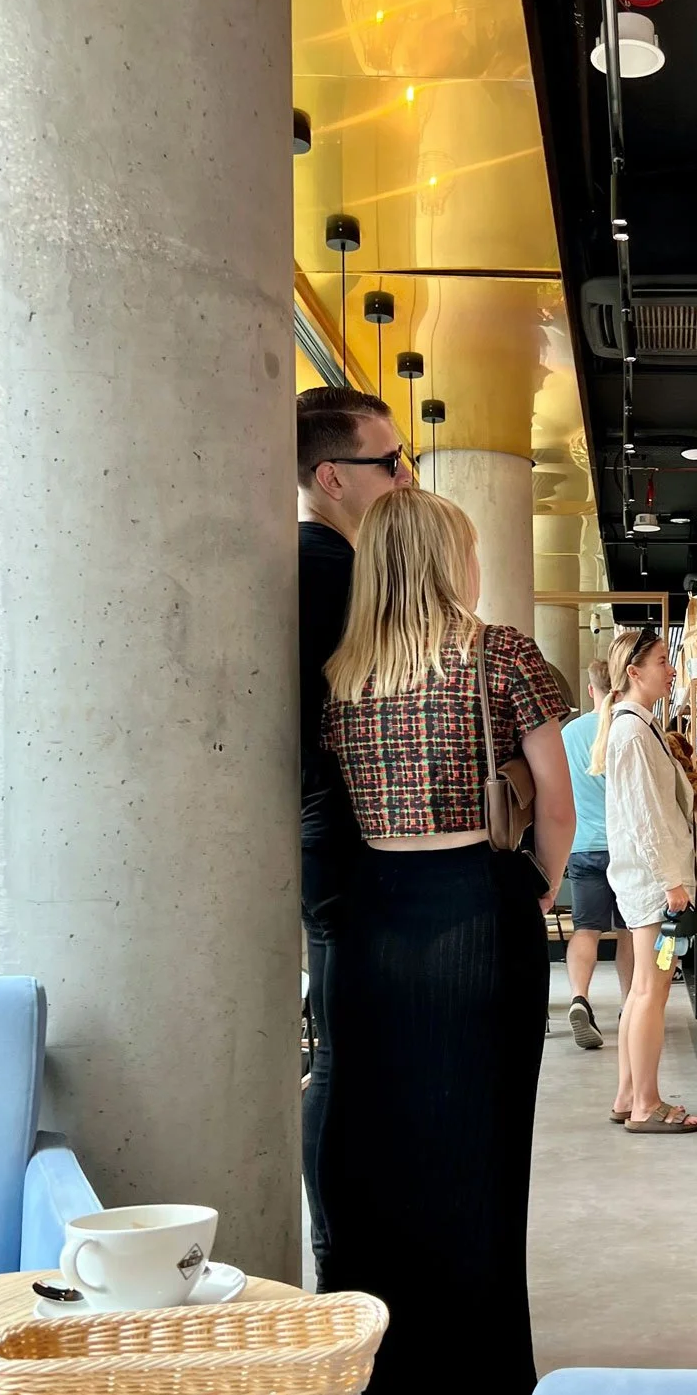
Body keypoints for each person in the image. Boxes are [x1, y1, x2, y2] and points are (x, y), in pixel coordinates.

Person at [319, 490, 575, 1395]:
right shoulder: (501, 653)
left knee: (387, 1171)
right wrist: (538, 890)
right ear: (446, 558)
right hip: (477, 906)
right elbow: (555, 801)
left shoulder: (344, 676)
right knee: (481, 1161)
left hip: (378, 917)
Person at [296, 385, 410, 1286]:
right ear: (332, 477)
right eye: (390, 462)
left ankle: (351, 1255)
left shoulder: (317, 564)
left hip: (332, 836)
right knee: (348, 1049)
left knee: (351, 1046)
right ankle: (344, 1263)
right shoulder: (333, 573)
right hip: (345, 837)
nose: (405, 477)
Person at [589, 627, 697, 1135]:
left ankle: (627, 1096)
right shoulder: (634, 732)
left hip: (649, 883)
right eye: (663, 661)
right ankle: (647, 1104)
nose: (671, 668)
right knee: (651, 993)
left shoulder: (635, 727)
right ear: (634, 672)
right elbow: (648, 817)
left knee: (643, 990)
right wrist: (673, 884)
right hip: (657, 886)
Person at [561, 660, 634, 1049]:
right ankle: (629, 1007)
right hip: (625, 848)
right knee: (628, 930)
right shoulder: (626, 726)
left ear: (591, 690)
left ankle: (579, 998)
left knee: (586, 929)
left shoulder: (569, 733)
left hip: (583, 845)